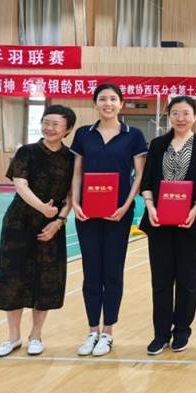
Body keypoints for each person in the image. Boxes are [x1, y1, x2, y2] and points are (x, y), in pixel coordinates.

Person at [70, 83, 148, 357]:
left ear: (121, 103)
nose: (108, 103)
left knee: (112, 272)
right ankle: (92, 330)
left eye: (113, 99)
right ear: (95, 104)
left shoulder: (133, 135)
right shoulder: (83, 134)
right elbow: (77, 172)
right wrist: (75, 202)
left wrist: (126, 206)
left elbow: (139, 175)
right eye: (102, 99)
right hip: (87, 213)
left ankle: (108, 332)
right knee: (91, 272)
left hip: (119, 214)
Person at [0, 105, 77, 358]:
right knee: (14, 279)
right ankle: (13, 337)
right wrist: (42, 208)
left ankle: (36, 336)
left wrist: (58, 220)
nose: (49, 128)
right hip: (19, 223)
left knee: (46, 280)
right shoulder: (26, 152)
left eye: (56, 124)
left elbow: (72, 194)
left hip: (52, 226)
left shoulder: (72, 158)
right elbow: (20, 184)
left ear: (67, 130)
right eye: (45, 122)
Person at [139, 96, 196, 355]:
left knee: (186, 278)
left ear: (194, 116)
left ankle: (182, 330)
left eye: (185, 113)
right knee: (160, 280)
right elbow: (146, 180)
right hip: (158, 221)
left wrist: (195, 209)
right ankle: (160, 334)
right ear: (169, 116)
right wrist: (150, 207)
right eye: (175, 113)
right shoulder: (158, 144)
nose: (180, 118)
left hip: (191, 222)